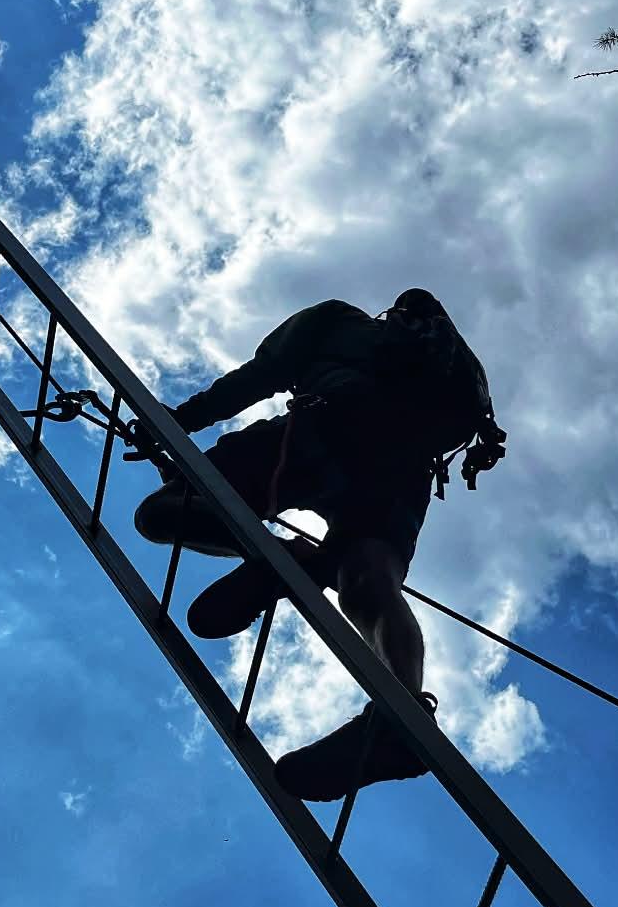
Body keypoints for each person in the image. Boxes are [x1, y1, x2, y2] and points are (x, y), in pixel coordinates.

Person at [131, 290, 505, 801]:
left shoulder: (337, 320)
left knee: (161, 513)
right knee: (371, 585)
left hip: (319, 433)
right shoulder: (451, 374)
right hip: (400, 471)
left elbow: (258, 377)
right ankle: (402, 718)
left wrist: (177, 422)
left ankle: (286, 557)